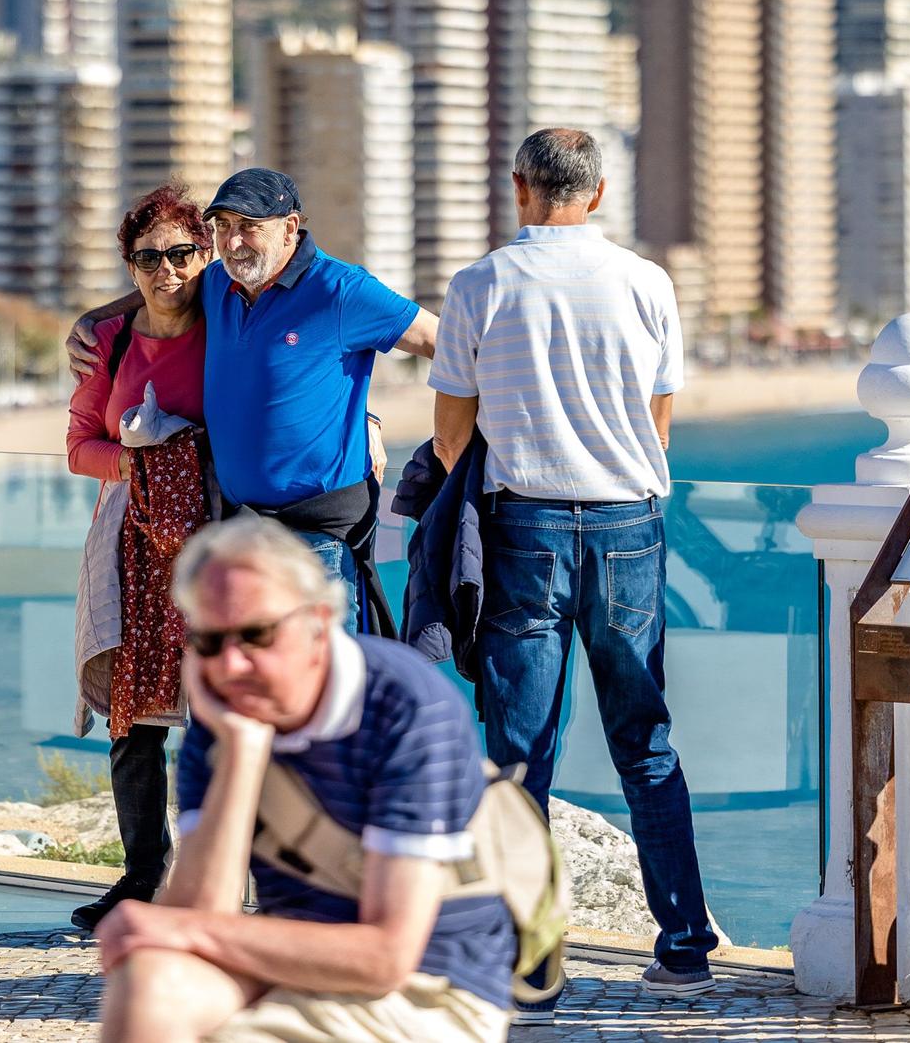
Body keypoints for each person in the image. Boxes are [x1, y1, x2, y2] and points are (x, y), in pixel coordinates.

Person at [429, 128, 718, 1001]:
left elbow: (450, 439)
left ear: (520, 188)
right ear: (597, 194)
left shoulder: (480, 285)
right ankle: (683, 944)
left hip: (525, 529)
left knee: (520, 752)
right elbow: (660, 425)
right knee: (646, 737)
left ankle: (532, 956)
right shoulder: (647, 282)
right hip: (630, 523)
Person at [96, 516, 513, 1043]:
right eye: (208, 640)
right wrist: (242, 753)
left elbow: (386, 956)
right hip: (286, 960)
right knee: (152, 982)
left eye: (256, 634)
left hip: (429, 986)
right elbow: (196, 916)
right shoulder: (224, 711)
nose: (231, 664)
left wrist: (184, 929)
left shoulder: (404, 704)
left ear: (319, 620)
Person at [70, 169, 439, 634]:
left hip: (317, 536)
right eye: (222, 226)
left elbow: (444, 343)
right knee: (248, 690)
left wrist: (446, 442)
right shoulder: (220, 285)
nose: (234, 241)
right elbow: (165, 281)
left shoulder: (341, 289)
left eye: (249, 226)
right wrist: (91, 318)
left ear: (290, 227)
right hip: (239, 534)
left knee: (319, 689)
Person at [65, 185, 215, 931]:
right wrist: (141, 461)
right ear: (132, 265)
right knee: (135, 726)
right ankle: (140, 878)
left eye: (182, 253)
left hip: (216, 543)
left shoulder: (229, 327)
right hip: (133, 548)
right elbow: (79, 448)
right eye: (150, 257)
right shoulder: (112, 344)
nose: (168, 270)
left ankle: (220, 883)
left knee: (219, 717)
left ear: (206, 254)